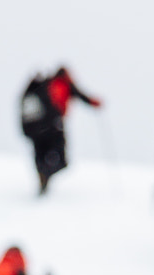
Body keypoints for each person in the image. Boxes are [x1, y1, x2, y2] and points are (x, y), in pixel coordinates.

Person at [20, 66, 102, 194]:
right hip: (54, 125)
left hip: (36, 128)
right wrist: (94, 103)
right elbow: (82, 96)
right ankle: (46, 174)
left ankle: (43, 175)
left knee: (40, 153)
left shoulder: (45, 85)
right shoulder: (64, 84)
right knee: (62, 160)